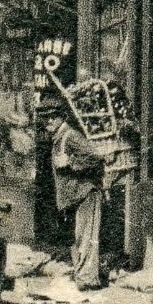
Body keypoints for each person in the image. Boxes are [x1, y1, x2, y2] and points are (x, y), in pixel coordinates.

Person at [49, 112, 108, 291]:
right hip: (75, 195)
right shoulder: (59, 137)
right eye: (44, 118)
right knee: (77, 237)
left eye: (51, 117)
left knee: (87, 238)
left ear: (60, 117)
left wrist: (70, 162)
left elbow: (95, 157)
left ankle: (88, 279)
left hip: (86, 193)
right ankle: (82, 276)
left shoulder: (70, 135)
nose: (48, 122)